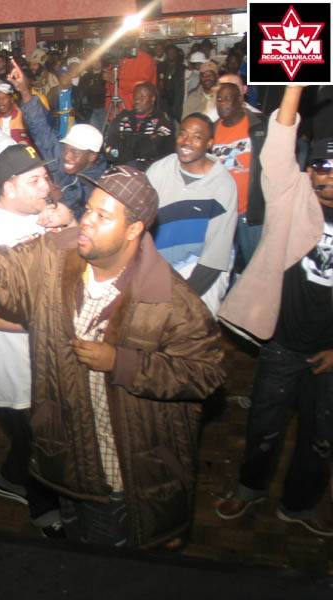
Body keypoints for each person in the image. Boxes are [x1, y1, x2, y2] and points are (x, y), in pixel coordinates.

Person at [0, 164, 225, 548]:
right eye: (89, 209)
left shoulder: (171, 299)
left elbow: (205, 372)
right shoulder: (55, 257)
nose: (87, 220)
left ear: (133, 229)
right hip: (70, 464)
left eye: (103, 216)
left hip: (128, 476)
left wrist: (122, 363)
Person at [216, 86, 333, 536]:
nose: (325, 177)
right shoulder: (292, 194)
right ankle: (250, 488)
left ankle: (300, 504)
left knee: (321, 437)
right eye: (319, 166)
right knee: (265, 424)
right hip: (283, 339)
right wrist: (295, 85)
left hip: (329, 351)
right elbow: (279, 146)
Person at [0, 145, 70, 537]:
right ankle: (46, 512)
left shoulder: (39, 216)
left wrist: (68, 220)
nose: (47, 186)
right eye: (36, 180)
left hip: (46, 358)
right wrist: (42, 326)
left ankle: (10, 478)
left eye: (45, 177)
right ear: (8, 187)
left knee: (40, 438)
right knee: (37, 441)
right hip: (15, 366)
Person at [147, 113, 238, 315]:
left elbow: (215, 257)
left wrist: (184, 298)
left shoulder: (223, 185)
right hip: (159, 269)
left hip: (199, 274)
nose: (186, 141)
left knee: (193, 328)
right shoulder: (159, 170)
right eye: (183, 134)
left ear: (209, 143)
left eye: (197, 137)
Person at [7, 59, 106, 220]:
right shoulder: (66, 158)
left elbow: (82, 218)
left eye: (75, 152)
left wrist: (58, 201)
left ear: (92, 156)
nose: (67, 156)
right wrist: (24, 91)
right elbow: (42, 130)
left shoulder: (100, 187)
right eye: (66, 148)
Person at [212, 82, 266, 271]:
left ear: (240, 100)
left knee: (256, 268)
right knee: (223, 267)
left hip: (250, 212)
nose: (222, 103)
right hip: (222, 211)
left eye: (227, 99)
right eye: (219, 99)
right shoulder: (212, 130)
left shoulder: (259, 126)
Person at [105, 81, 174, 170]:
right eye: (135, 97)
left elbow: (152, 148)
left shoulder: (162, 120)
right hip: (121, 169)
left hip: (151, 170)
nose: (137, 101)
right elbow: (109, 149)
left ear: (152, 99)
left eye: (142, 97)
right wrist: (143, 140)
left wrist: (125, 142)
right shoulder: (122, 117)